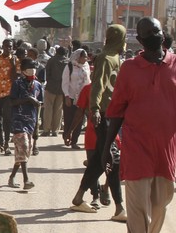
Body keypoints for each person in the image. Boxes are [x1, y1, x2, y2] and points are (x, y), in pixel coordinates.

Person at [103, 17, 176, 233]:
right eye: (148, 34)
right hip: (136, 146)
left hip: (167, 148)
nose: (154, 36)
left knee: (160, 203)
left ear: (162, 34)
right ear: (140, 41)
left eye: (157, 31)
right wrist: (107, 144)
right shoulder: (129, 68)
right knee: (136, 205)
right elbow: (117, 109)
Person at [69, 25, 125, 211]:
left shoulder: (117, 58)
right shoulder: (105, 58)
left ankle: (79, 196)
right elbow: (98, 85)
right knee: (111, 158)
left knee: (99, 161)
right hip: (104, 114)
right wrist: (95, 109)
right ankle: (119, 207)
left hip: (114, 114)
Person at [7, 59, 43, 189]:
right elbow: (11, 102)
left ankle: (11, 177)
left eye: (34, 67)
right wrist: (27, 99)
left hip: (31, 122)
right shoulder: (17, 83)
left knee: (24, 152)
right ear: (23, 70)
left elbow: (40, 105)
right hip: (18, 121)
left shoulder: (38, 85)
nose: (32, 70)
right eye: (29, 68)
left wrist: (37, 129)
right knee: (23, 146)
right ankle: (26, 180)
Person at [62, 49, 91, 148]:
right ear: (78, 57)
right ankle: (66, 136)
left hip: (82, 98)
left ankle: (74, 141)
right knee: (69, 118)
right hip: (70, 96)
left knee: (79, 119)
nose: (86, 59)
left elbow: (88, 81)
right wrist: (66, 96)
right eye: (84, 57)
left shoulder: (86, 67)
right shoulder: (69, 66)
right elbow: (65, 83)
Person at [42, 46, 67, 138]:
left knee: (48, 109)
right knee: (58, 110)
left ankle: (46, 129)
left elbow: (47, 73)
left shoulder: (51, 60)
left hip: (51, 87)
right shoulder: (67, 62)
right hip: (62, 89)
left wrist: (49, 82)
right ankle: (55, 130)